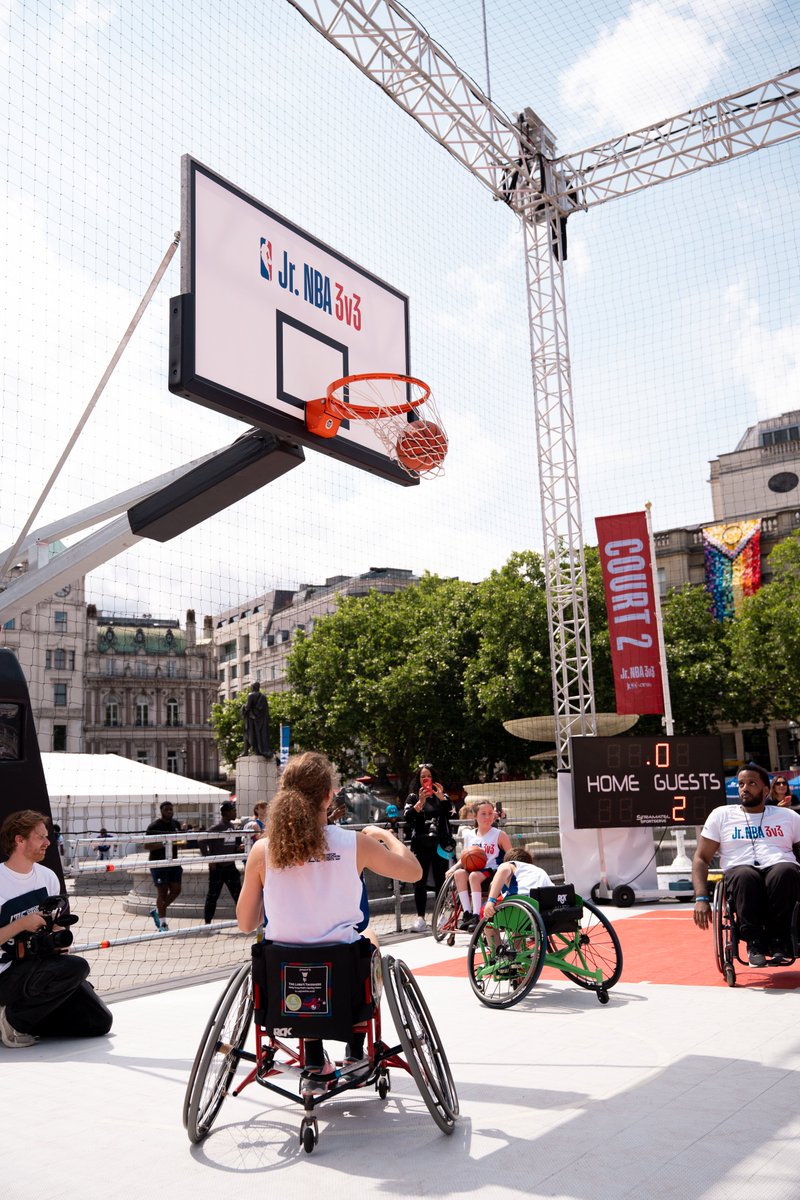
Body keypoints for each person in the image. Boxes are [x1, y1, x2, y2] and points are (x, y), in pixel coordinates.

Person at [236, 751, 421, 1099]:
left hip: (284, 986)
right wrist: (386, 836)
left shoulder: (263, 850)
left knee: (298, 953)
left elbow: (246, 923)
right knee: (368, 937)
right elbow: (414, 873)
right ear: (328, 795)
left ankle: (315, 1059)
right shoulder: (355, 844)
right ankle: (354, 1049)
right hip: (343, 977)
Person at [0, 810, 112, 1048]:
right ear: (19, 840)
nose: (48, 842)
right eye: (40, 836)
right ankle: (12, 1022)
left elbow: (56, 923)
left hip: (37, 965)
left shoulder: (47, 877)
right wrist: (21, 924)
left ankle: (24, 1016)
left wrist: (57, 937)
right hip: (5, 972)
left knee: (99, 1021)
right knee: (78, 967)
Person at [693, 762, 800, 967]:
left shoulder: (788, 816)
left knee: (785, 870)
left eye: (752, 783)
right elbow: (701, 858)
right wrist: (701, 897)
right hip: (740, 869)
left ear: (766, 790)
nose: (744, 788)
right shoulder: (721, 815)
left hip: (779, 866)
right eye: (741, 783)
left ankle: (780, 941)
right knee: (745, 876)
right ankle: (754, 943)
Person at [403, 764, 456, 932]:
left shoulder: (443, 796)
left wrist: (441, 799)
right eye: (422, 777)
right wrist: (420, 803)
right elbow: (407, 817)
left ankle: (441, 916)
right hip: (421, 843)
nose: (425, 780)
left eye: (428, 776)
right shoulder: (413, 797)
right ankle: (420, 918)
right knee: (420, 879)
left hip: (440, 844)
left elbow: (452, 813)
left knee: (441, 879)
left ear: (433, 778)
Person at [453, 800, 513, 931]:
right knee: (458, 873)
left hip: (493, 871)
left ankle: (477, 915)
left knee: (474, 876)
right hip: (474, 870)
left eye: (490, 813)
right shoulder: (469, 835)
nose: (487, 817)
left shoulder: (499, 835)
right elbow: (465, 858)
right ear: (475, 816)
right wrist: (453, 868)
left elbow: (512, 857)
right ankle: (467, 914)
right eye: (483, 814)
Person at [202, 800, 243, 923]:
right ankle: (207, 924)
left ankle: (244, 921)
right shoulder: (217, 827)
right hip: (218, 868)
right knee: (212, 896)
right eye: (233, 810)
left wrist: (237, 848)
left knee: (239, 896)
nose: (235, 812)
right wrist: (209, 858)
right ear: (226, 812)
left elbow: (229, 844)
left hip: (230, 866)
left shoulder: (231, 826)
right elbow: (201, 840)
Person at [145, 801, 183, 931]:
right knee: (162, 892)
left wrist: (181, 841)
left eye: (171, 809)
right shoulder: (154, 826)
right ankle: (163, 924)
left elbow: (181, 841)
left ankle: (158, 910)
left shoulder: (176, 824)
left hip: (173, 861)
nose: (169, 811)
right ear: (161, 811)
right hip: (158, 863)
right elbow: (146, 846)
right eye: (167, 809)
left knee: (177, 889)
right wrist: (165, 843)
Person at [242, 681, 271, 756]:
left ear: (253, 687)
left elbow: (247, 707)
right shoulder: (263, 697)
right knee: (259, 737)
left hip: (252, 720)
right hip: (261, 721)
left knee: (247, 735)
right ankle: (258, 750)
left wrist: (243, 707)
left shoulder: (250, 695)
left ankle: (245, 752)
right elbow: (266, 710)